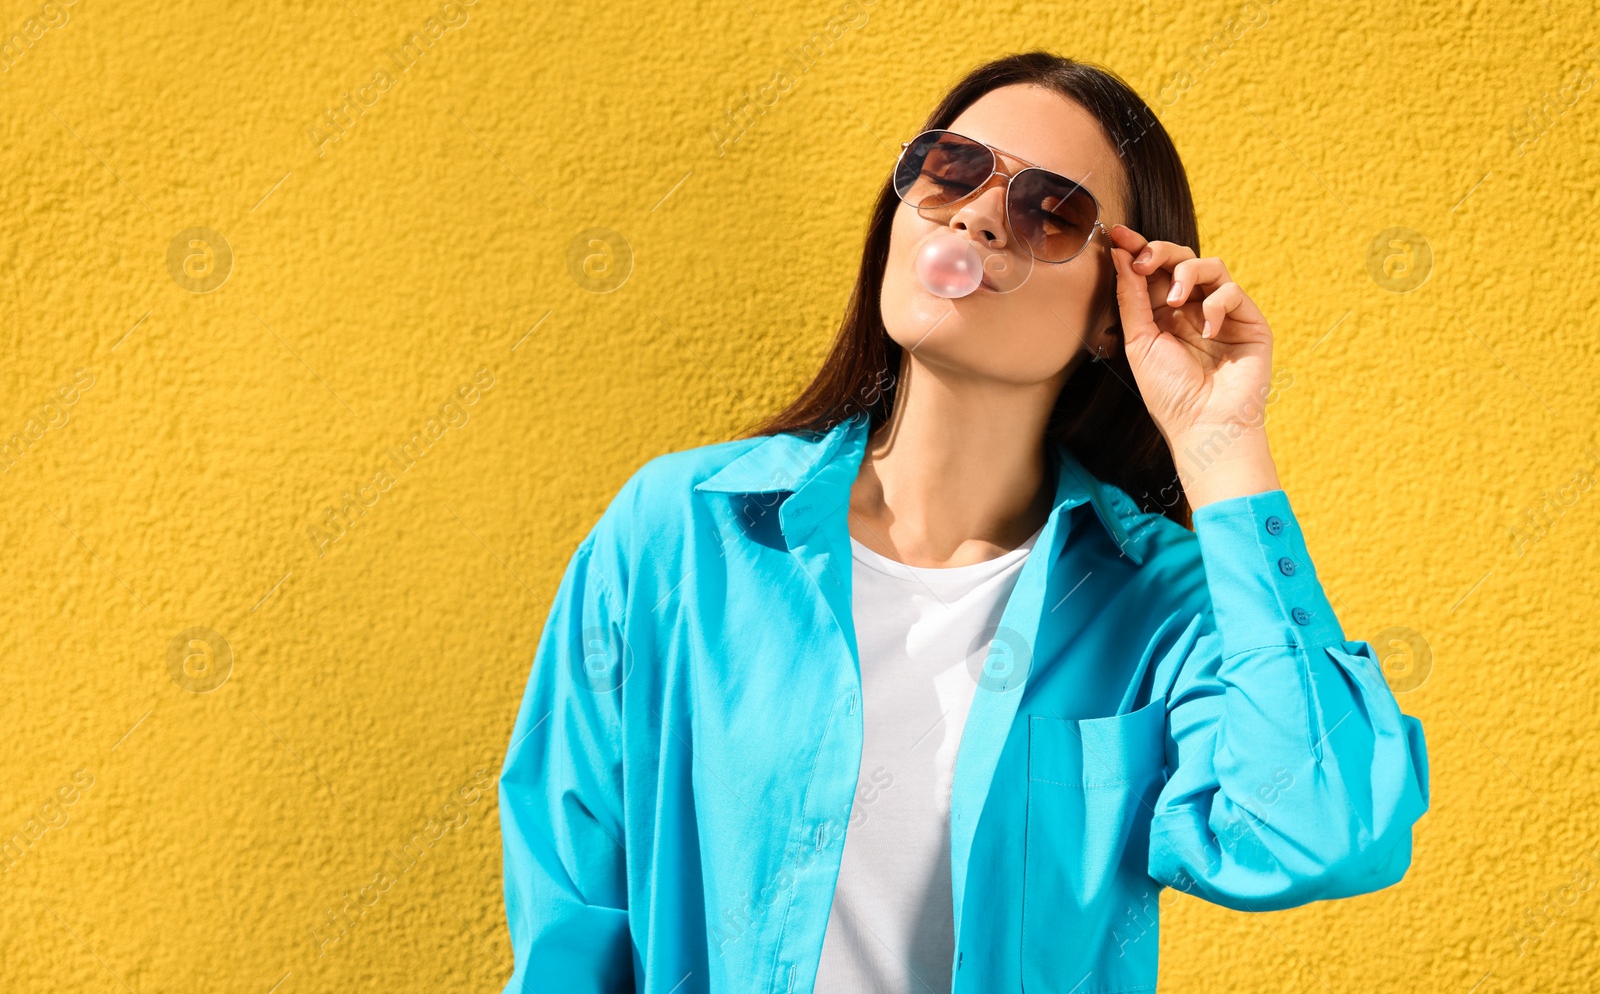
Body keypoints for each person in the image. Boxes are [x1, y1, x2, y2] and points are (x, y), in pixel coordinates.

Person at [495, 51, 1430, 994]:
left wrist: (1220, 443)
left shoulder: (1159, 611)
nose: (978, 215)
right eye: (952, 169)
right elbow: (574, 912)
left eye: (1048, 210)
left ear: (1118, 311)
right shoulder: (680, 535)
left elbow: (1325, 829)